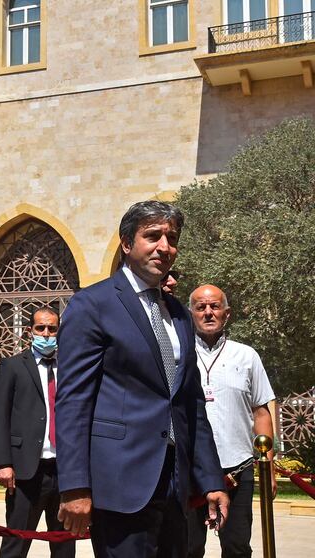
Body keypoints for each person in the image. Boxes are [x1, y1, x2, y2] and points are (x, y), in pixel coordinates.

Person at [55, 200, 229, 558]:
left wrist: (210, 479)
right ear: (126, 243)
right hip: (121, 484)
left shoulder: (180, 315)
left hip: (175, 485)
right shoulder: (93, 305)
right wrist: (74, 486)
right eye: (152, 236)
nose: (164, 247)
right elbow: (73, 402)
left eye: (172, 238)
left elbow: (191, 403)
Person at [187, 284, 276, 558]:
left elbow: (261, 413)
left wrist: (268, 468)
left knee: (237, 548)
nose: (208, 312)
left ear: (227, 314)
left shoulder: (247, 356)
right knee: (187, 549)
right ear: (191, 313)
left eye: (214, 306)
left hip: (238, 471)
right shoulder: (179, 355)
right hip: (191, 472)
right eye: (201, 307)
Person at [0, 306, 75, 558]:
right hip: (27, 471)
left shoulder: (69, 368)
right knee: (16, 543)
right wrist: (3, 463)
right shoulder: (12, 366)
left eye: (52, 329)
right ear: (30, 331)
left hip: (64, 470)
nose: (46, 334)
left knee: (64, 544)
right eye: (41, 328)